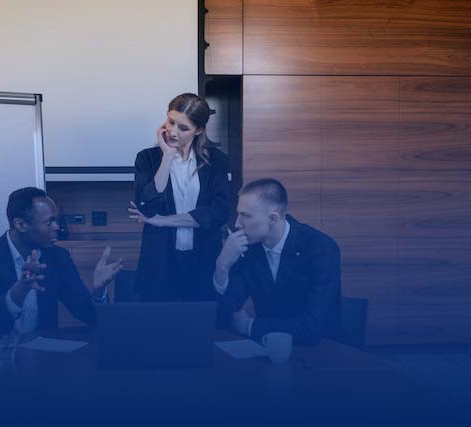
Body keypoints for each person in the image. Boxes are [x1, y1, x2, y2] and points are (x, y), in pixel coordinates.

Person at [0, 187, 123, 342]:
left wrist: (98, 290)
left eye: (56, 221)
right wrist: (20, 290)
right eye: (49, 222)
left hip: (41, 357)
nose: (57, 227)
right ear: (20, 225)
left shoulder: (58, 257)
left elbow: (90, 316)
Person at [128, 93, 230, 301]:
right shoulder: (147, 158)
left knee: (201, 325)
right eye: (171, 122)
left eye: (183, 128)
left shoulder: (216, 161)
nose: (173, 132)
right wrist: (167, 156)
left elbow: (219, 212)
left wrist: (163, 220)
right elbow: (146, 207)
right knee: (158, 328)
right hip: (160, 262)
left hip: (202, 260)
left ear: (198, 130)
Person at [215, 178, 341, 345]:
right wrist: (222, 266)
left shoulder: (320, 248)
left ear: (273, 219)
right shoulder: (249, 248)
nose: (237, 224)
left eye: (245, 215)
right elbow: (224, 316)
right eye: (238, 214)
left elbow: (312, 328)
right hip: (266, 353)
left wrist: (251, 326)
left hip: (321, 355)